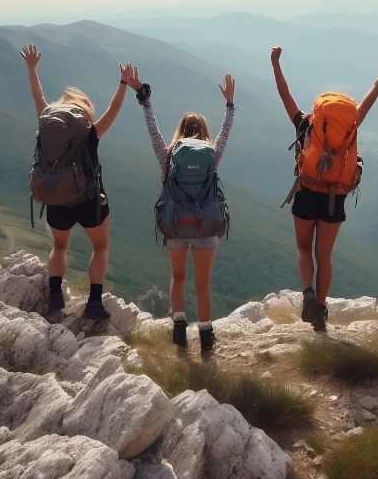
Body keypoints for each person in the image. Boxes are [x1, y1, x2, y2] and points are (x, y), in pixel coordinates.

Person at [271, 46, 378, 333]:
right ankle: (322, 312)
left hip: (306, 192)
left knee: (303, 248)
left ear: (318, 112)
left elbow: (284, 93)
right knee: (324, 255)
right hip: (335, 198)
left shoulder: (305, 124)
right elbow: (367, 104)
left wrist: (275, 63)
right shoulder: (351, 126)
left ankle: (308, 294)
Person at [122, 63, 235, 352]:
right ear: (204, 132)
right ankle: (207, 336)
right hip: (207, 226)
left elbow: (153, 129)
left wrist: (144, 98)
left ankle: (179, 329)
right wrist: (230, 105)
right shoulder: (213, 155)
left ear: (181, 131)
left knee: (179, 277)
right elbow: (225, 134)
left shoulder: (168, 155)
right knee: (203, 285)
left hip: (174, 226)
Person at [21, 44, 128, 320]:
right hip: (88, 200)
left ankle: (56, 299)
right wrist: (124, 82)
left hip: (56, 196)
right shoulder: (91, 133)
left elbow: (36, 96)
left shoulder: (47, 122)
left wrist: (32, 68)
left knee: (59, 246)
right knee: (100, 246)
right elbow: (114, 109)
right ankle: (94, 303)